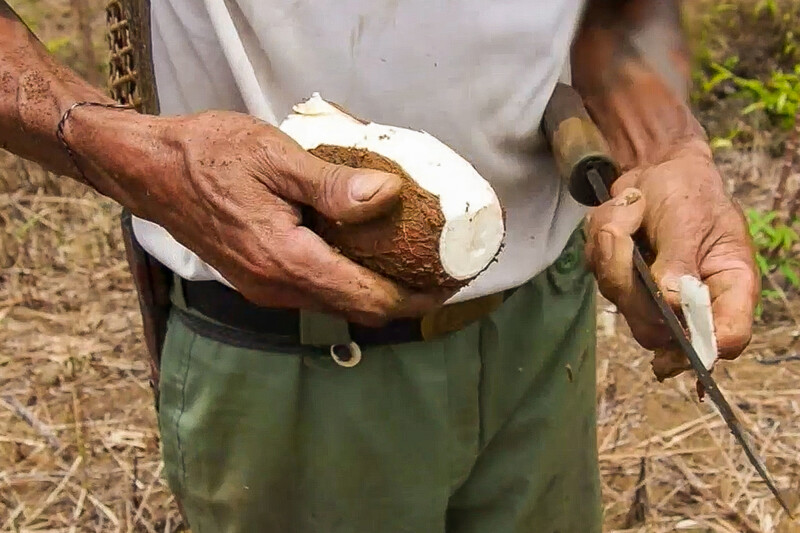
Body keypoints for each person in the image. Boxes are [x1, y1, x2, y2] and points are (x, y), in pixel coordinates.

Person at [0, 0, 758, 531]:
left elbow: (607, 13)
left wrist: (665, 143)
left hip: (544, 321)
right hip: (289, 362)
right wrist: (115, 146)